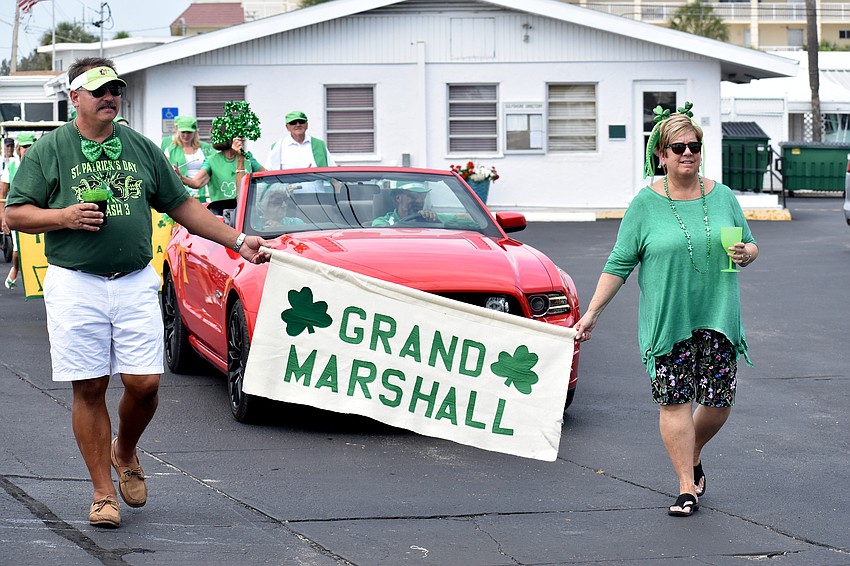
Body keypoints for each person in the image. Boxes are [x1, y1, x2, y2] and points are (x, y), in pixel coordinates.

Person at [4, 57, 270, 529]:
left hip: (133, 281)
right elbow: (16, 213)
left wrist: (237, 239)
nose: (111, 97)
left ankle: (124, 449)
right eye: (100, 90)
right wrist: (62, 217)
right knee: (88, 387)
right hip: (75, 283)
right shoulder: (50, 149)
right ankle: (103, 492)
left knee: (144, 385)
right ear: (76, 98)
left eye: (116, 89)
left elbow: (182, 204)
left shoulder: (142, 148)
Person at [573, 105, 759, 518]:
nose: (688, 153)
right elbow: (619, 263)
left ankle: (691, 452)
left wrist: (747, 253)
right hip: (668, 320)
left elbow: (749, 244)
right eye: (679, 147)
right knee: (674, 403)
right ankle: (685, 488)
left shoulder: (723, 196)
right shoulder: (645, 204)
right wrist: (592, 314)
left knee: (718, 401)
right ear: (661, 154)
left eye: (695, 146)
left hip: (719, 315)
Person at [178, 132, 264, 204]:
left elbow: (267, 176)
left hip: (247, 211)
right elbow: (197, 182)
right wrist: (181, 178)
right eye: (239, 136)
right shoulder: (212, 160)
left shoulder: (247, 157)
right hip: (222, 211)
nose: (243, 139)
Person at [0, 132, 36, 288]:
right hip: (17, 212)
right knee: (17, 249)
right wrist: (3, 218)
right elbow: (2, 193)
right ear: (18, 149)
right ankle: (15, 268)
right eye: (24, 147)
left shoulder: (39, 163)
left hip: (38, 211)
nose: (27, 149)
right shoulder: (12, 166)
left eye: (30, 146)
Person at [264, 110, 335, 170]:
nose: (298, 125)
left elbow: (332, 169)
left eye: (301, 121)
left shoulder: (319, 144)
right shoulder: (278, 146)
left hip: (316, 186)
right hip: (288, 186)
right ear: (287, 127)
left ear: (307, 125)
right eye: (293, 123)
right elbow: (269, 173)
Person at [164, 116, 214, 201]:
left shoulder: (206, 148)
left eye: (189, 132)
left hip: (205, 191)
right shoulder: (170, 150)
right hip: (181, 192)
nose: (186, 135)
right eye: (183, 132)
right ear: (178, 131)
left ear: (195, 132)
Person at [371, 183, 438, 226]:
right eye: (413, 195)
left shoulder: (430, 217)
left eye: (423, 196)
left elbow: (448, 221)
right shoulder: (382, 222)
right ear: (398, 198)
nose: (420, 201)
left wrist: (433, 220)